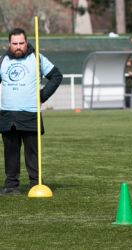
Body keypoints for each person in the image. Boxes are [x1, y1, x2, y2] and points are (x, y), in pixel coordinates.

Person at [0, 28, 63, 195]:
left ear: (26, 42)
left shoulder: (38, 59)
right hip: (8, 115)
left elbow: (56, 76)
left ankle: (36, 184)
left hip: (30, 114)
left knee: (32, 153)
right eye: (15, 44)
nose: (18, 46)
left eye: (21, 43)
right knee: (11, 153)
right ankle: (11, 186)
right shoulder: (2, 60)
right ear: (9, 44)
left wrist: (43, 95)